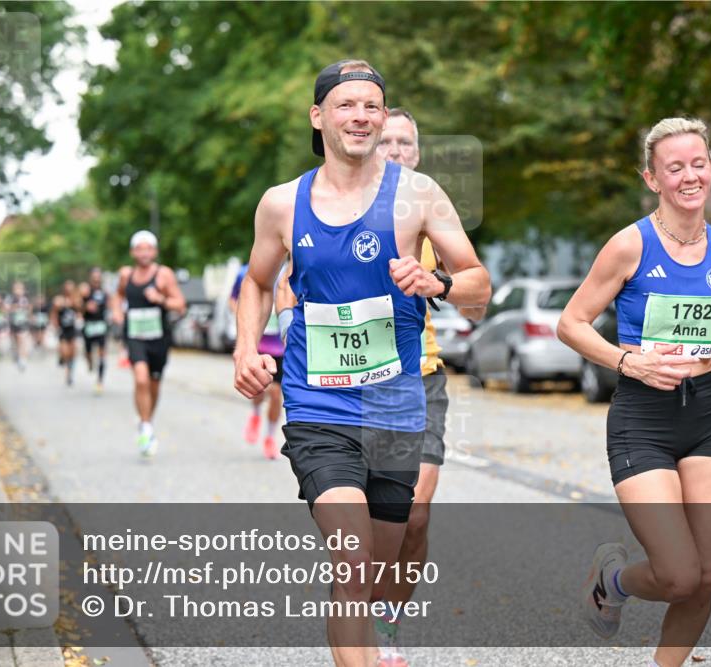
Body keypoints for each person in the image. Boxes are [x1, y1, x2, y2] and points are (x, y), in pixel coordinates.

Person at [233, 60, 490, 667]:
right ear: (318, 116)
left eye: (372, 106)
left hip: (398, 411)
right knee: (351, 561)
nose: (361, 116)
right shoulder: (281, 205)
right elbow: (256, 282)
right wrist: (248, 348)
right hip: (320, 408)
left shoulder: (419, 196)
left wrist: (438, 282)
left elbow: (479, 287)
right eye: (346, 104)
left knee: (377, 566)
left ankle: (375, 640)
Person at [557, 117, 711, 667]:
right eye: (675, 168)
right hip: (641, 418)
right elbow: (572, 323)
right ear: (653, 178)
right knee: (677, 574)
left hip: (708, 412)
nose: (690, 176)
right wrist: (630, 361)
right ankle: (614, 580)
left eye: (699, 164)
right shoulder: (629, 246)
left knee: (707, 575)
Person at [374, 107, 486, 664]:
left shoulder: (426, 207)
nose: (395, 149)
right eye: (385, 140)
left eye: (406, 142)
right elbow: (287, 284)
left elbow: (477, 290)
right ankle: (358, 610)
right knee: (367, 520)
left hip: (420, 378)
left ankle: (389, 619)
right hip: (348, 387)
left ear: (417, 153)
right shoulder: (329, 207)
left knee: (414, 516)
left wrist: (438, 281)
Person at [111, 230, 186, 458]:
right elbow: (117, 296)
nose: (144, 252)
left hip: (158, 337)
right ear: (133, 252)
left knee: (153, 384)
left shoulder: (164, 275)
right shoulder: (126, 275)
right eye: (139, 248)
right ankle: (145, 427)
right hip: (134, 336)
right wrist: (117, 313)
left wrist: (160, 299)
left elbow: (180, 305)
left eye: (148, 248)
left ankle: (147, 421)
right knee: (141, 378)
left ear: (154, 251)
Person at [230, 262, 285, 459]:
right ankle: (255, 413)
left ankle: (270, 437)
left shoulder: (291, 270)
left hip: (281, 347)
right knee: (259, 390)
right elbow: (233, 300)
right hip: (258, 345)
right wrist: (249, 317)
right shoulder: (247, 272)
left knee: (277, 393)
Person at [80, 268, 110, 393]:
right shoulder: (85, 291)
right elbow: (77, 307)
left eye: (98, 275)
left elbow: (109, 305)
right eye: (94, 276)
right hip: (89, 325)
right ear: (91, 277)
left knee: (102, 353)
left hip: (101, 325)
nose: (97, 278)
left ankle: (100, 381)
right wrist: (85, 306)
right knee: (88, 352)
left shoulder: (105, 292)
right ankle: (90, 361)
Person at [52, 280, 80, 386]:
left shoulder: (76, 300)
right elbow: (54, 313)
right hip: (63, 329)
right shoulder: (59, 300)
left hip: (73, 329)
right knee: (65, 352)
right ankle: (61, 357)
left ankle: (69, 375)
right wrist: (54, 325)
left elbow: (80, 311)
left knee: (72, 353)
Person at [7, 280, 32, 371]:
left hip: (23, 322)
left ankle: (23, 359)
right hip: (13, 323)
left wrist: (29, 315)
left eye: (20, 288)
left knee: (22, 339)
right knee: (16, 341)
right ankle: (17, 355)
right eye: (16, 288)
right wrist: (14, 307)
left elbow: (29, 309)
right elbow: (6, 309)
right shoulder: (10, 298)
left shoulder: (25, 299)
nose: (18, 290)